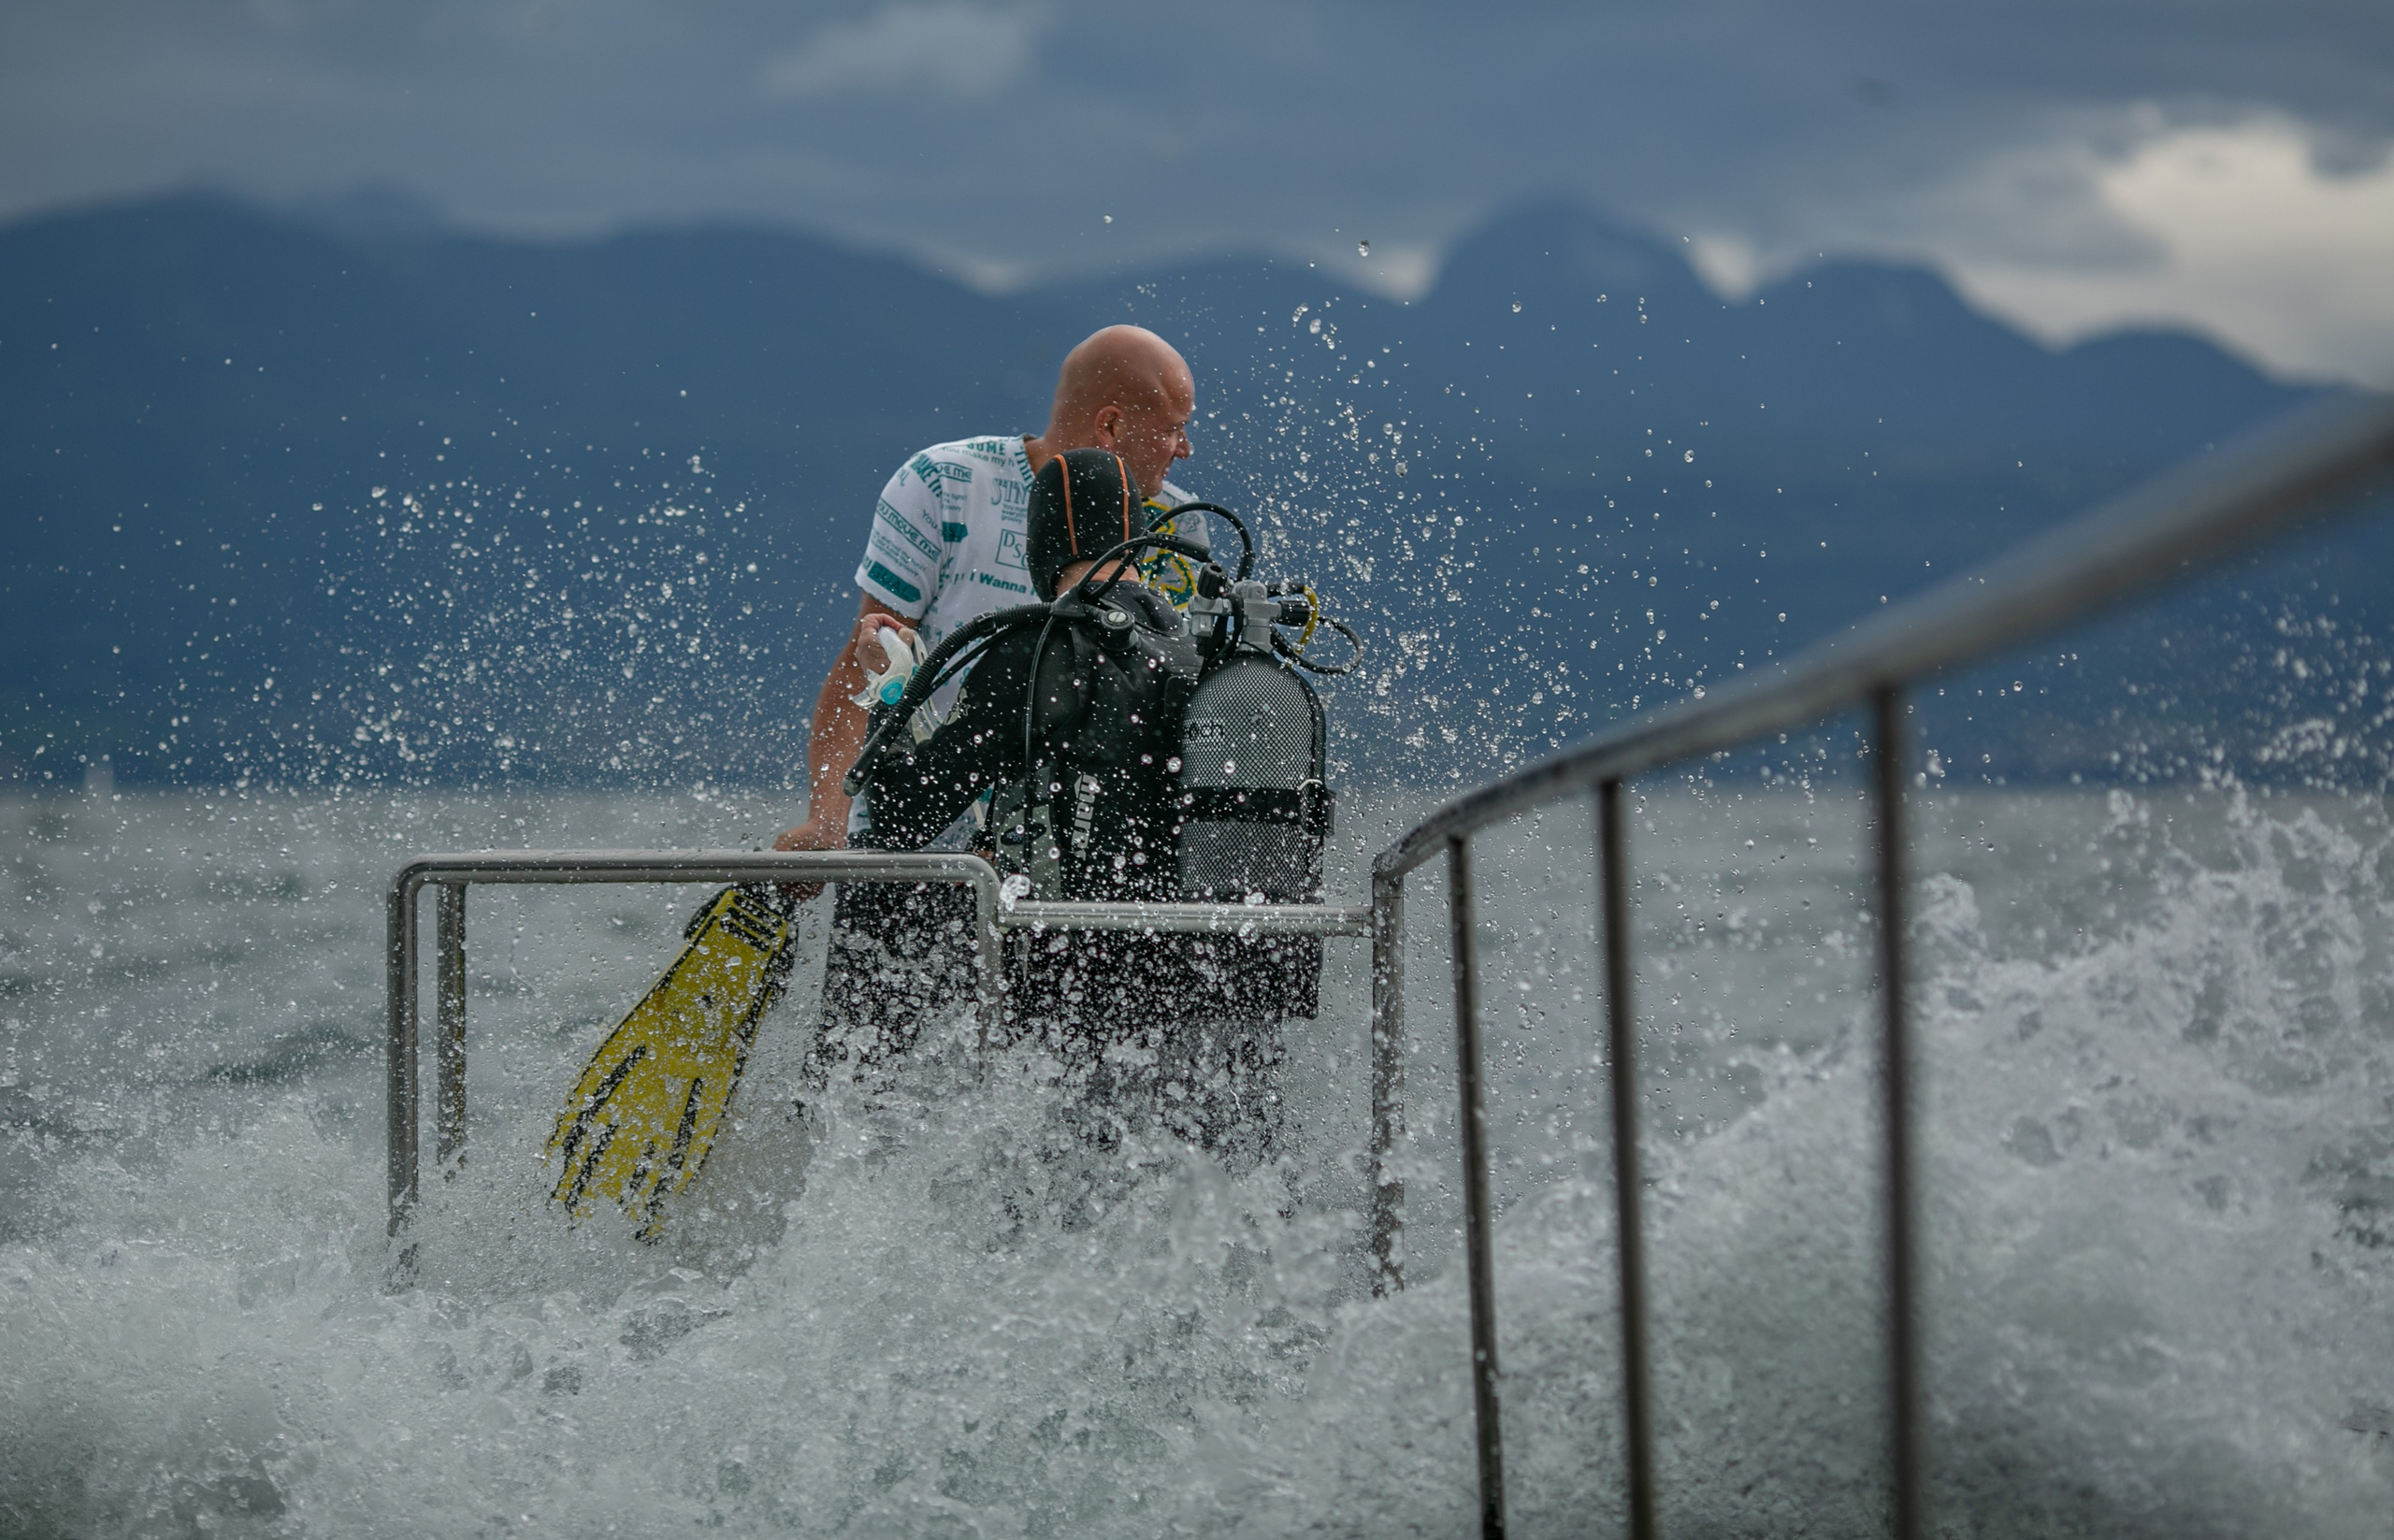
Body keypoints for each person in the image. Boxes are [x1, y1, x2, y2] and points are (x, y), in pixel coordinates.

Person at [774, 328, 1202, 1106]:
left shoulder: (1180, 527)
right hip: (923, 858)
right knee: (870, 1097)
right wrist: (827, 823)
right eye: (1174, 427)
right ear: (1110, 425)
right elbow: (860, 666)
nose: (1184, 449)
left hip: (1073, 886)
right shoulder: (943, 483)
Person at [829, 448, 1287, 1163]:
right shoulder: (1207, 653)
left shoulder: (1034, 650)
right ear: (1138, 536)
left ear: (1041, 544)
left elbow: (900, 815)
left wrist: (894, 686)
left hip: (1065, 987)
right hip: (1197, 989)